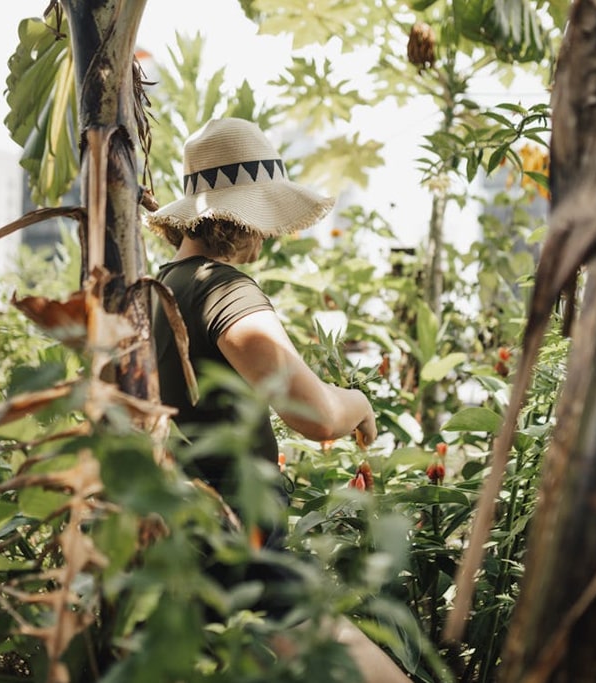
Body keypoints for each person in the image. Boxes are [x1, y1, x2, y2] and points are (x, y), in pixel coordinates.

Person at [147, 118, 407, 681]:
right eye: (263, 221)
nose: (265, 238)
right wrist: (359, 402)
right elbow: (315, 415)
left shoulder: (157, 289)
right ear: (239, 218)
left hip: (184, 541)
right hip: (239, 546)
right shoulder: (222, 287)